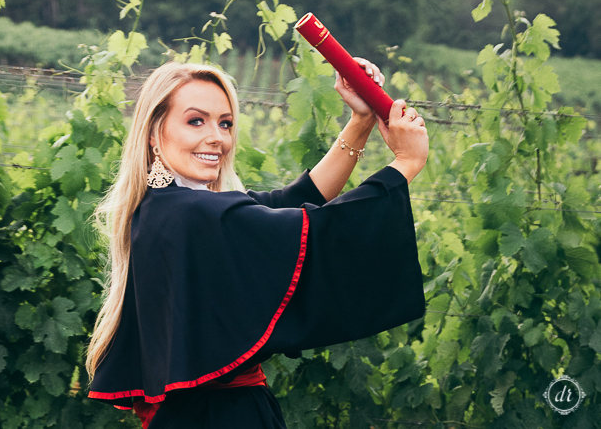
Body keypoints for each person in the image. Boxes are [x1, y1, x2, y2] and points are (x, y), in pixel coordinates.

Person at [85, 58, 429, 427]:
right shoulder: (192, 214)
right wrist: (405, 163)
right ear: (154, 133)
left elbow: (291, 202)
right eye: (195, 121)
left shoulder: (162, 209)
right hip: (225, 417)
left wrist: (360, 122)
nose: (217, 137)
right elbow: (318, 231)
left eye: (225, 123)